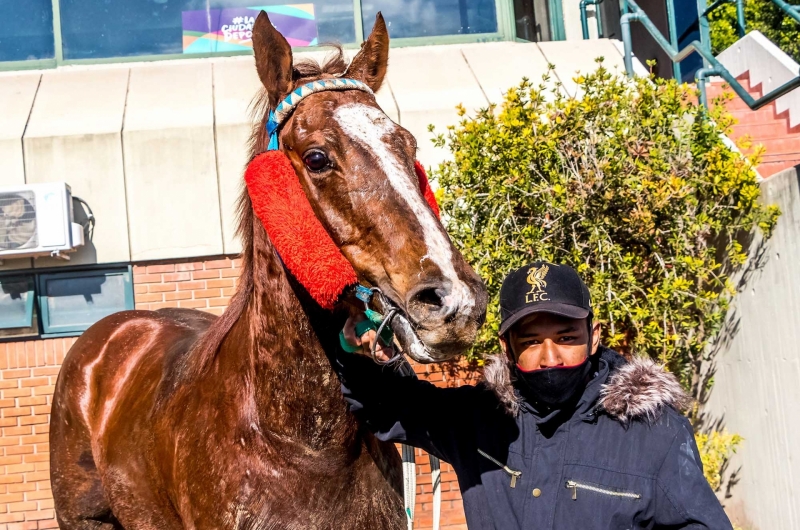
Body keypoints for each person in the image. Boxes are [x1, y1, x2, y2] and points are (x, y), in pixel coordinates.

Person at [332, 261, 733, 529]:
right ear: (507, 348)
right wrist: (353, 350)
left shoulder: (654, 433)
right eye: (531, 341)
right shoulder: (480, 420)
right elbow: (386, 407)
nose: (550, 357)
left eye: (565, 338)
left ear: (593, 338)